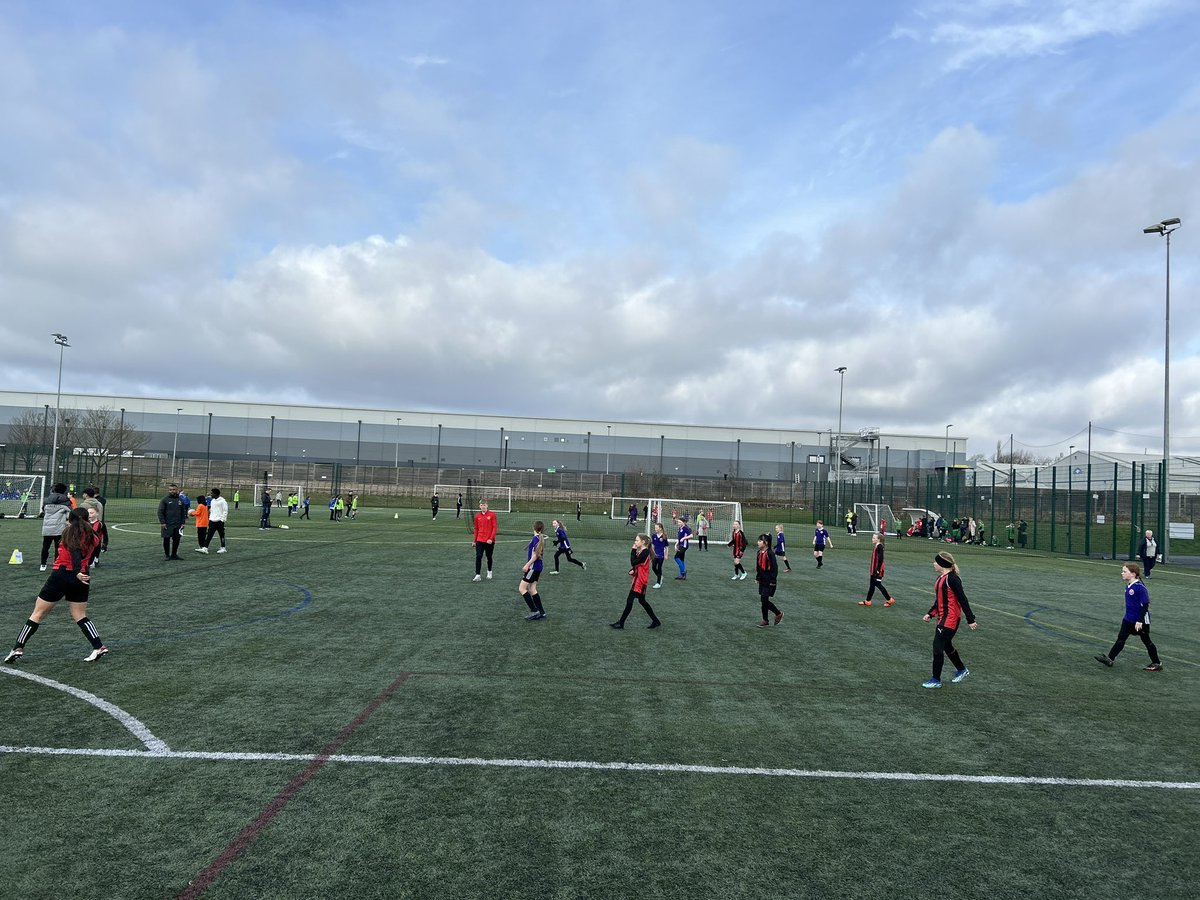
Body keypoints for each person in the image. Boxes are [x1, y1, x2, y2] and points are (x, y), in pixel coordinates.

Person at [4, 507, 109, 664]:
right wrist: (81, 570)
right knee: (80, 615)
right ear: (87, 519)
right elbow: (92, 554)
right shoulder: (93, 536)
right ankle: (98, 646)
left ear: (70, 520)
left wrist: (75, 571)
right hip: (83, 577)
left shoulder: (68, 533)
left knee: (37, 614)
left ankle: (18, 647)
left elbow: (75, 552)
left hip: (62, 575)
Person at [922, 552, 978, 688]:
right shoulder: (940, 578)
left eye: (936, 562)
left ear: (942, 564)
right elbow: (939, 600)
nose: (934, 564)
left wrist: (970, 619)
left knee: (938, 646)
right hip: (943, 617)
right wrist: (931, 613)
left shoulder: (953, 579)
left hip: (950, 618)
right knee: (946, 645)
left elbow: (963, 599)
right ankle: (961, 669)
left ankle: (936, 680)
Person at [1095, 563, 1162, 671]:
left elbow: (1145, 605)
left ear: (1133, 574)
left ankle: (1157, 663)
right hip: (1128, 618)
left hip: (1140, 620)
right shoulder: (1129, 585)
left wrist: (1140, 621)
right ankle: (1110, 659)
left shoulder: (1139, 588)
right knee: (1121, 639)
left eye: (1124, 571)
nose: (1122, 573)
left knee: (1147, 641)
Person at [611, 533, 661, 629]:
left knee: (630, 601)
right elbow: (637, 564)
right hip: (640, 580)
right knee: (642, 601)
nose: (635, 542)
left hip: (640, 581)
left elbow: (633, 562)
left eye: (637, 540)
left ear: (643, 542)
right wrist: (633, 570)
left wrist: (633, 550)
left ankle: (621, 623)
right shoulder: (643, 552)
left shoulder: (645, 552)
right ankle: (656, 621)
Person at [39, 483, 71, 573]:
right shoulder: (66, 501)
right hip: (59, 528)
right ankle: (56, 564)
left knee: (45, 546)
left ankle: (43, 564)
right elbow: (69, 514)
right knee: (58, 547)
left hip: (47, 527)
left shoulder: (47, 500)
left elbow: (43, 510)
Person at [754, 534, 785, 628]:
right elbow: (758, 566)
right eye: (758, 540)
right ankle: (766, 619)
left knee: (764, 599)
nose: (758, 542)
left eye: (760, 541)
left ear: (766, 543)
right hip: (762, 579)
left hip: (769, 580)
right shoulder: (759, 552)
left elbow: (775, 568)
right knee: (764, 600)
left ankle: (776, 614)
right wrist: (758, 577)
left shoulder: (770, 553)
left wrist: (773, 580)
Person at [519, 521, 547, 620]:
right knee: (532, 589)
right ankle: (542, 612)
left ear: (533, 528)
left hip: (533, 567)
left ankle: (534, 611)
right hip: (538, 567)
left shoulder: (536, 539)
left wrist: (527, 565)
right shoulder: (539, 538)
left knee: (522, 588)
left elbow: (535, 556)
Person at [859, 532, 896, 607]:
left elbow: (881, 559)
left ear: (878, 539)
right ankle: (868, 601)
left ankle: (889, 599)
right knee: (872, 585)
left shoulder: (880, 546)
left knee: (878, 584)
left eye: (874, 538)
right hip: (874, 569)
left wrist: (878, 570)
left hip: (878, 570)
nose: (872, 539)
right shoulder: (876, 546)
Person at [159, 483, 187, 559]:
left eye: (174, 489)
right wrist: (163, 522)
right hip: (167, 524)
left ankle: (174, 555)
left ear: (177, 490)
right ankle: (167, 555)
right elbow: (160, 512)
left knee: (177, 539)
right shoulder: (165, 500)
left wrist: (183, 523)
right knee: (166, 539)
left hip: (178, 524)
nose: (172, 491)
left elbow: (183, 513)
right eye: (170, 490)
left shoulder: (180, 500)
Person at [473, 500, 498, 582]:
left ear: (487, 505)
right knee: (478, 556)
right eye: (481, 505)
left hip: (489, 541)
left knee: (489, 557)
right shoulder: (477, 516)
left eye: (484, 505)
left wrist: (491, 538)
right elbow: (476, 529)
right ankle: (477, 574)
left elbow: (494, 527)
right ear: (479, 506)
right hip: (480, 540)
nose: (483, 506)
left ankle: (489, 571)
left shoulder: (492, 515)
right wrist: (474, 541)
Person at [204, 487, 229, 552]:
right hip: (212, 521)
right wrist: (210, 518)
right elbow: (212, 510)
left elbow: (225, 511)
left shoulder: (222, 501)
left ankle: (223, 548)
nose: (211, 494)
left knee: (221, 535)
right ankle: (205, 548)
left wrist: (222, 520)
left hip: (219, 521)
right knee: (209, 535)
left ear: (215, 494)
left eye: (212, 493)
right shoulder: (212, 501)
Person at [650, 522, 669, 589]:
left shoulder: (664, 536)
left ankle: (658, 583)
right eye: (655, 528)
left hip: (661, 555)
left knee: (659, 568)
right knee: (653, 567)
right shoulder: (654, 536)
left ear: (660, 528)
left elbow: (666, 546)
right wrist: (652, 553)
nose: (655, 529)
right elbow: (652, 545)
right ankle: (660, 576)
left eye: (656, 528)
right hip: (655, 555)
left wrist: (666, 555)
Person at [673, 516, 691, 580]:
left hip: (684, 546)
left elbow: (691, 535)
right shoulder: (680, 528)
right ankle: (682, 575)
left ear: (684, 522)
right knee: (681, 559)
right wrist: (675, 545)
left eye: (680, 522)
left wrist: (684, 538)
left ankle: (683, 572)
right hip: (681, 545)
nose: (679, 523)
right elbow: (679, 539)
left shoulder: (685, 528)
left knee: (676, 557)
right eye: (678, 522)